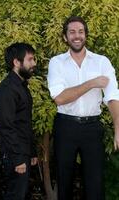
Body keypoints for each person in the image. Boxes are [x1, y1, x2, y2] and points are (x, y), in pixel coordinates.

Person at [47, 16, 119, 200]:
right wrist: (92, 83)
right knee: (64, 181)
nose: (76, 36)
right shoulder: (56, 62)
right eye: (72, 32)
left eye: (80, 31)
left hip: (92, 129)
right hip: (66, 127)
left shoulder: (101, 62)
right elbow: (60, 98)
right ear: (65, 37)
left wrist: (118, 128)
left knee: (95, 184)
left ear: (85, 35)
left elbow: (112, 97)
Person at [0, 42, 38, 200]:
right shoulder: (7, 90)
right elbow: (6, 127)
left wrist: (31, 151)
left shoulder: (21, 86)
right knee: (15, 196)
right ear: (16, 62)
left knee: (21, 194)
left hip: (22, 152)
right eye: (30, 59)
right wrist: (18, 159)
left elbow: (24, 123)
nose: (34, 63)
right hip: (14, 155)